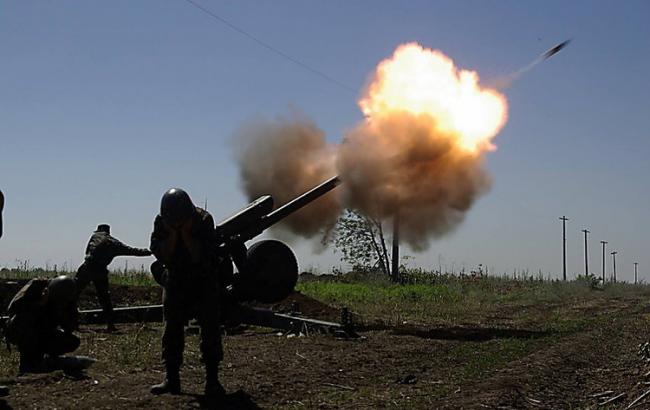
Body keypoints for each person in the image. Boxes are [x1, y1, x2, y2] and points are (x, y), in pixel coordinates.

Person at [149, 188, 227, 400]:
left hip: (203, 279)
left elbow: (198, 255)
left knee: (210, 328)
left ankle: (212, 381)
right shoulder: (162, 222)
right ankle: (171, 378)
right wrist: (174, 234)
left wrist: (186, 232)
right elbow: (162, 254)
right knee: (171, 329)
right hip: (176, 279)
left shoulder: (203, 220)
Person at [75, 224, 151, 331]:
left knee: (74, 294)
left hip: (87, 267)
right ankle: (110, 325)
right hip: (100, 270)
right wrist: (148, 252)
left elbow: (87, 252)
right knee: (104, 297)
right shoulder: (114, 243)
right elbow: (132, 251)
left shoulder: (95, 237)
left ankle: (72, 323)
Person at [5, 276, 80, 374]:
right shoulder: (37, 285)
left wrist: (65, 314)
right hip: (23, 329)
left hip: (45, 331)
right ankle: (28, 364)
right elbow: (13, 309)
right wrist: (40, 303)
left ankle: (47, 360)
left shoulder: (67, 300)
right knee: (27, 330)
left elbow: (69, 326)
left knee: (71, 341)